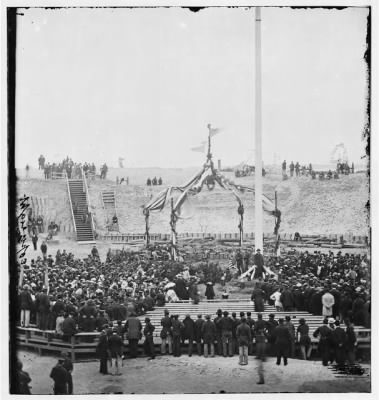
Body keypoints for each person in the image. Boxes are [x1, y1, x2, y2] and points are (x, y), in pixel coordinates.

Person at [254, 313, 267, 384]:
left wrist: (256, 331)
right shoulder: (264, 321)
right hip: (263, 334)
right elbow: (266, 326)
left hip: (258, 334)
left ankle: (259, 355)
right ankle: (263, 356)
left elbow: (255, 328)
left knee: (258, 345)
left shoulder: (257, 322)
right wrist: (264, 330)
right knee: (263, 345)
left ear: (258, 317)